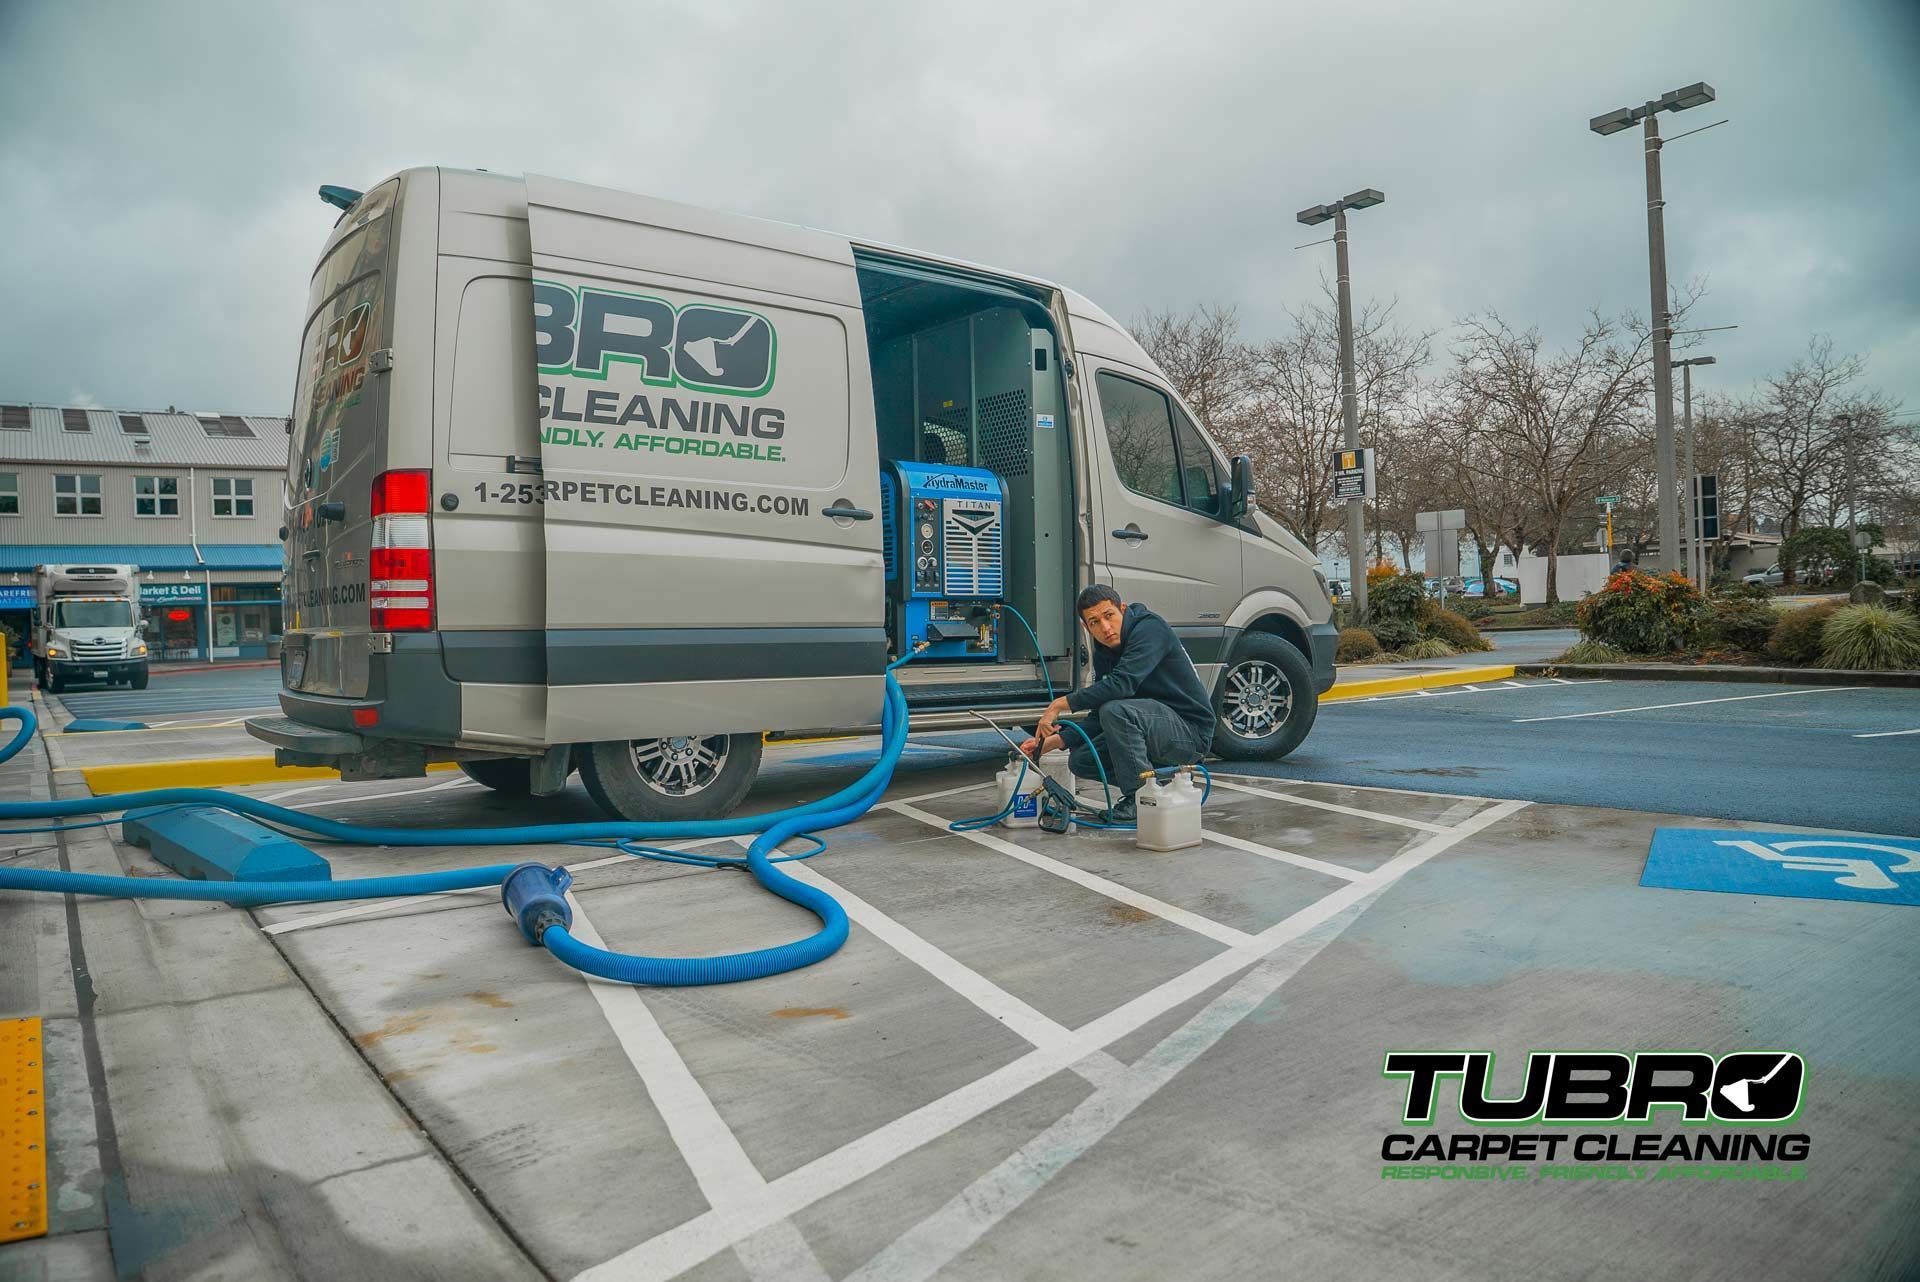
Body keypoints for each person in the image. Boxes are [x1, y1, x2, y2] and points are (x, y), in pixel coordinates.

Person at [1019, 584, 1214, 822]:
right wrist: (1054, 742)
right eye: (1094, 623)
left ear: (1122, 609)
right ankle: (1164, 781)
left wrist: (1059, 704)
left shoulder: (1150, 628)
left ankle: (1139, 797)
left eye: (1109, 616)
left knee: (1118, 711)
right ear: (1085, 626)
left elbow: (1123, 685)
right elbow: (1101, 712)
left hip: (1189, 733)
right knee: (1082, 760)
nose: (1105, 628)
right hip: (1149, 726)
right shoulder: (1104, 649)